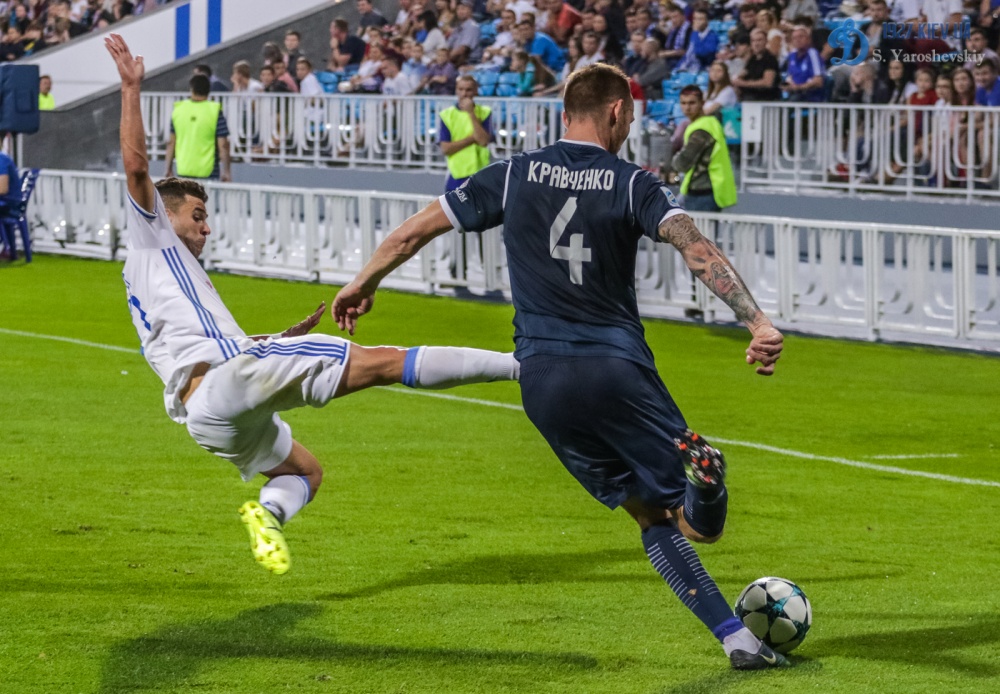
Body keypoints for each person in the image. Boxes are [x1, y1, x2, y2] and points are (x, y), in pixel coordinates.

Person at [331, 64, 787, 672]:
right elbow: (694, 248)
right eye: (630, 117)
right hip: (615, 369)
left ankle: (737, 641)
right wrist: (757, 322)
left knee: (647, 514)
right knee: (699, 525)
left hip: (542, 380)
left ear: (563, 112)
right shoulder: (633, 182)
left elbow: (412, 233)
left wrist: (361, 283)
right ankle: (707, 483)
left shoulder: (511, 174)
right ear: (618, 112)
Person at [103, 33, 520, 576]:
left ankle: (269, 516)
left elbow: (195, 343)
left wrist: (276, 342)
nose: (205, 228)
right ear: (165, 213)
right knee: (383, 363)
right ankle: (521, 366)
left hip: (207, 419)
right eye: (197, 216)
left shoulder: (161, 275)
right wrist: (130, 88)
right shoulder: (152, 235)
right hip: (226, 382)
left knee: (305, 473)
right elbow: (138, 170)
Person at [669, 86, 738, 212]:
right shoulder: (711, 123)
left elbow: (682, 163)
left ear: (702, 103)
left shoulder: (701, 130)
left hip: (702, 192)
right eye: (683, 103)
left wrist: (675, 160)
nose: (687, 108)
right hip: (709, 190)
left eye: (692, 103)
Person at [164, 74, 233, 182]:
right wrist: (226, 172)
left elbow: (171, 143)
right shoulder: (215, 111)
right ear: (208, 91)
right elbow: (223, 145)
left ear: (191, 89)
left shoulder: (178, 110)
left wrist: (168, 169)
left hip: (183, 170)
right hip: (209, 172)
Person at [438, 75, 493, 191]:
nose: (464, 94)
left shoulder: (485, 112)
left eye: (468, 90)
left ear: (475, 91)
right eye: (461, 89)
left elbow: (483, 141)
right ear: (456, 90)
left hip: (481, 173)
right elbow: (445, 148)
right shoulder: (446, 115)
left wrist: (471, 113)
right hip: (457, 175)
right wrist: (472, 138)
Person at [732, 28, 780, 101]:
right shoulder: (752, 59)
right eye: (753, 41)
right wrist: (736, 80)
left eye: (759, 40)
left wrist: (744, 83)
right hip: (749, 96)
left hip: (765, 99)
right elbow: (744, 73)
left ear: (766, 41)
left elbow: (767, 83)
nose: (756, 44)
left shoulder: (770, 59)